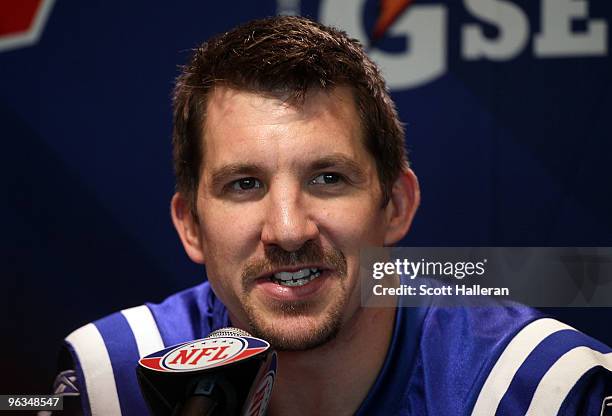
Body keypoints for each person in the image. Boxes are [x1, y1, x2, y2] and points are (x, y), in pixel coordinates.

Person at [49, 16, 612, 416]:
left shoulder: (536, 388)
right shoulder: (111, 383)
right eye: (245, 184)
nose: (289, 229)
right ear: (190, 225)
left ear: (395, 206)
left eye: (327, 179)